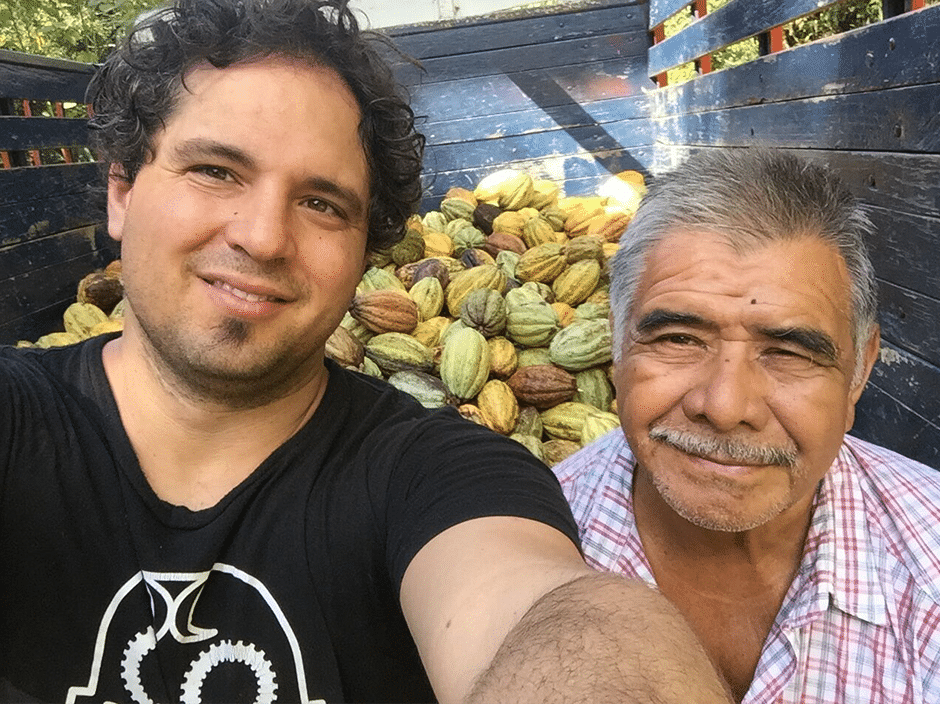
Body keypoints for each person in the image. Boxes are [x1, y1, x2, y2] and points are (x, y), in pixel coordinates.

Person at [0, 1, 732, 702]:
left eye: (322, 203)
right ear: (122, 191)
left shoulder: (440, 474)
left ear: (364, 253)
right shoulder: (17, 417)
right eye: (215, 171)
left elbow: (547, 613)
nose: (261, 236)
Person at [554, 148, 940, 703]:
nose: (726, 405)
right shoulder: (524, 554)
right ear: (616, 345)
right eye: (678, 339)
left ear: (859, 370)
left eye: (788, 351)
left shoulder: (926, 564)